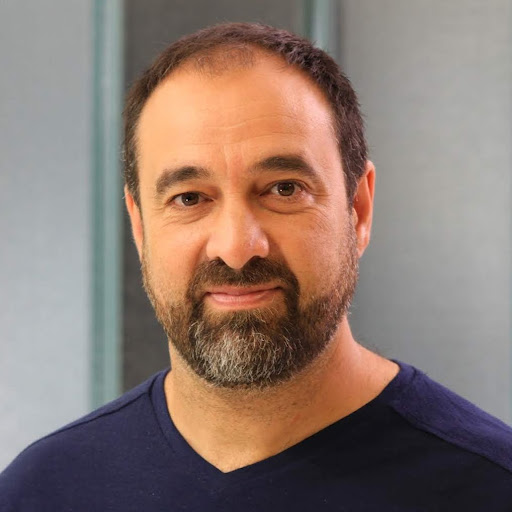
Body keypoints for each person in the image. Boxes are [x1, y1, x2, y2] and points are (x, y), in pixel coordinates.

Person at [1, 22, 512, 511]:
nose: (236, 248)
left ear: (357, 209)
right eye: (189, 198)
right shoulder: (41, 493)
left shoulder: (491, 487)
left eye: (284, 189)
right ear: (139, 227)